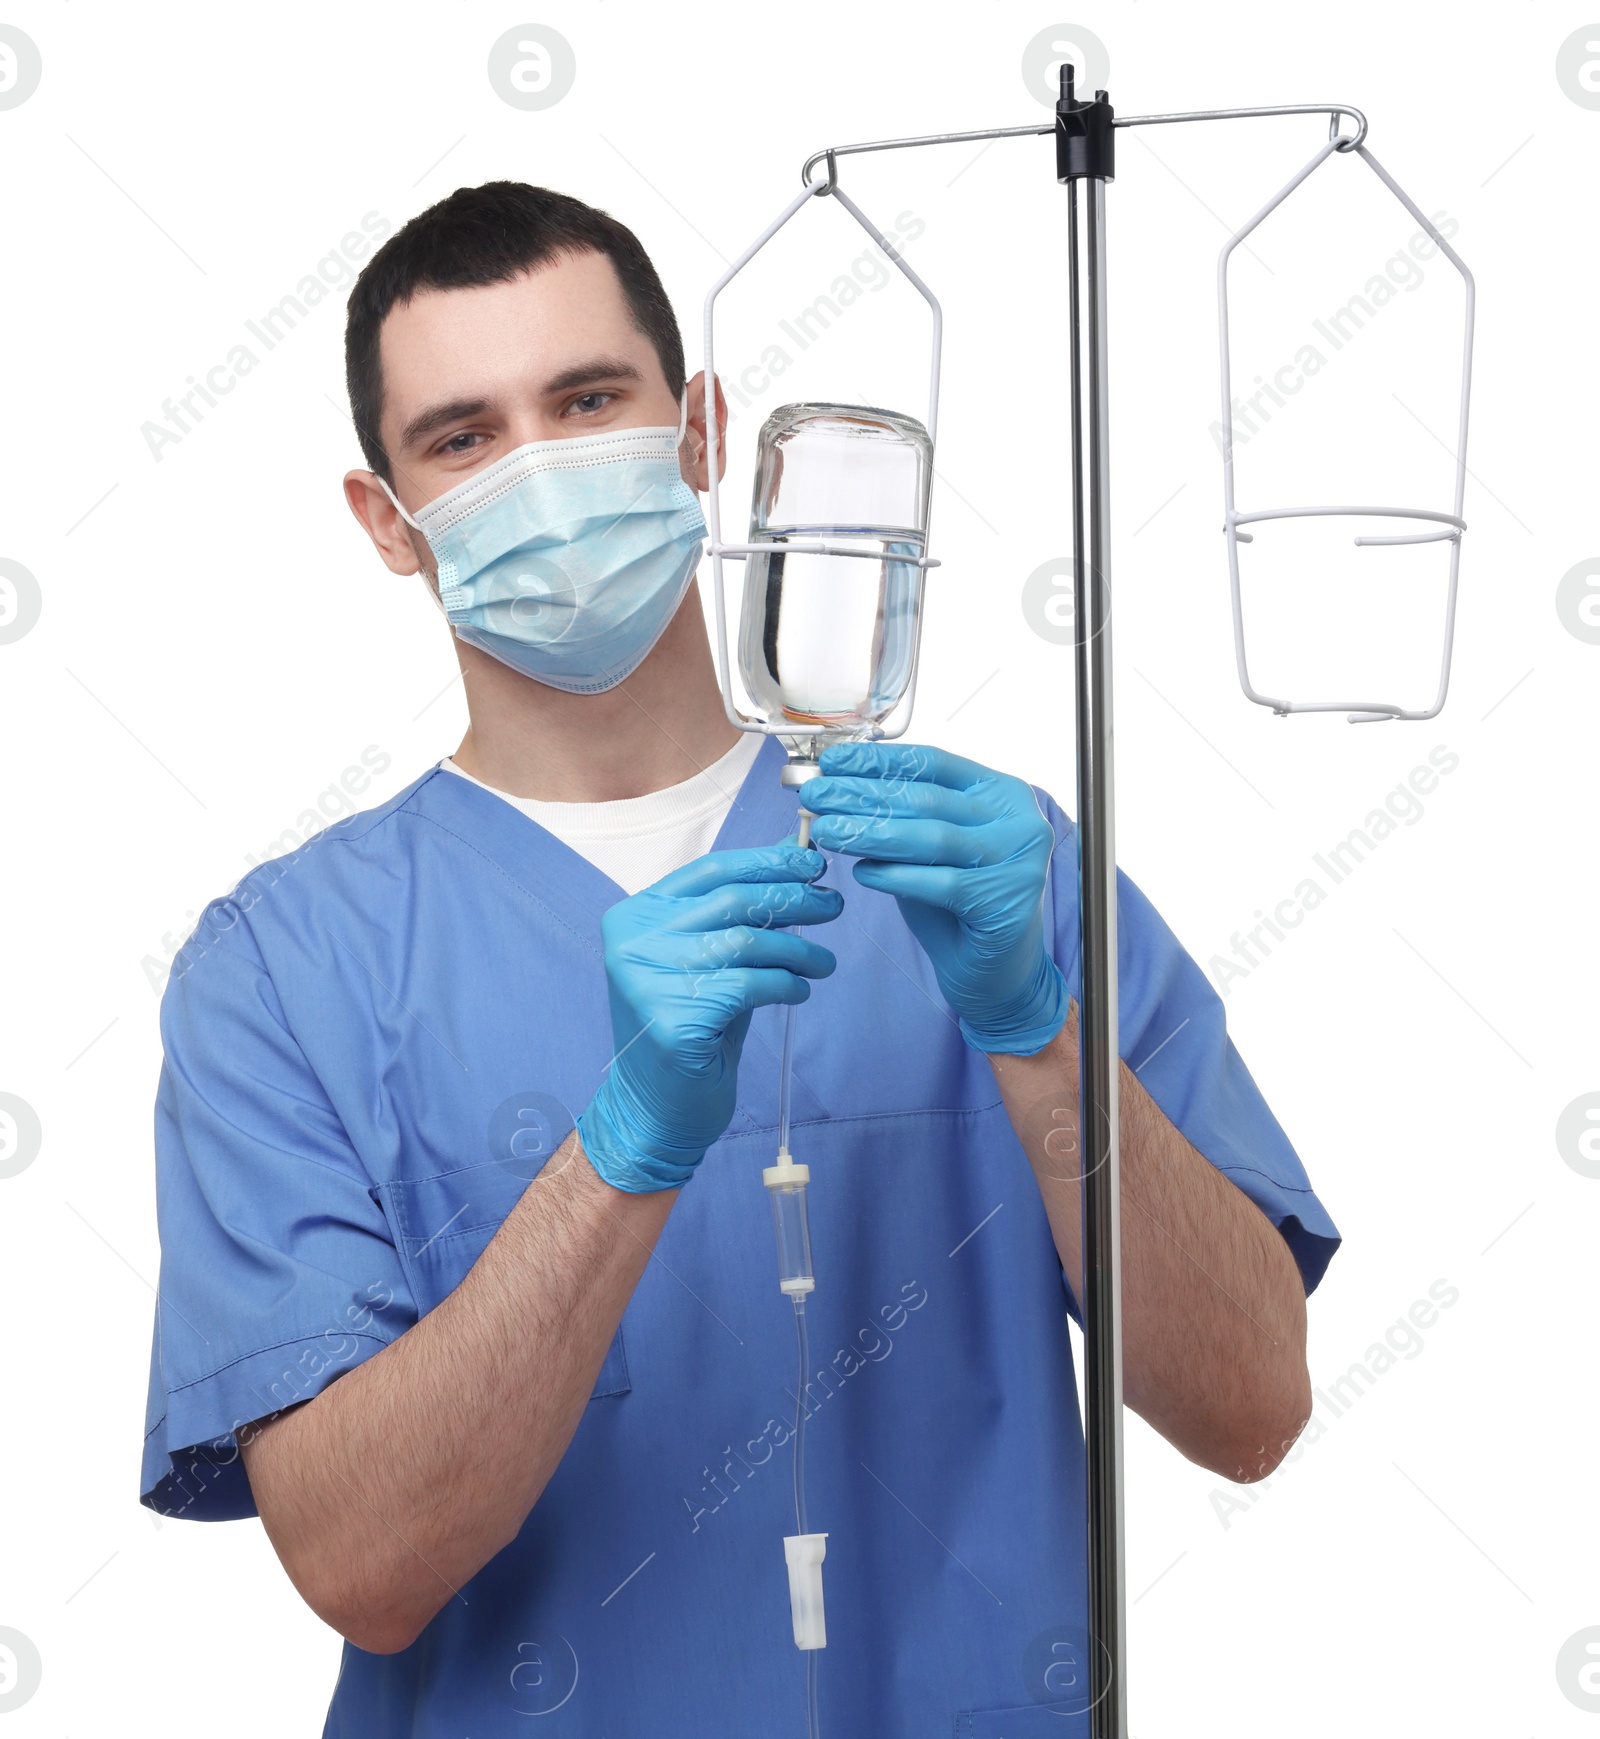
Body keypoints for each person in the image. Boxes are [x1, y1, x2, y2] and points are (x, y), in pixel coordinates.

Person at [140, 180, 1339, 1737]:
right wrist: (623, 1149)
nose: (545, 474)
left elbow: (1250, 1410)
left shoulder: (989, 865)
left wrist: (1039, 1033)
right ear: (389, 520)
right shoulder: (282, 970)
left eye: (588, 401)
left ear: (703, 430)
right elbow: (365, 1566)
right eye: (464, 437)